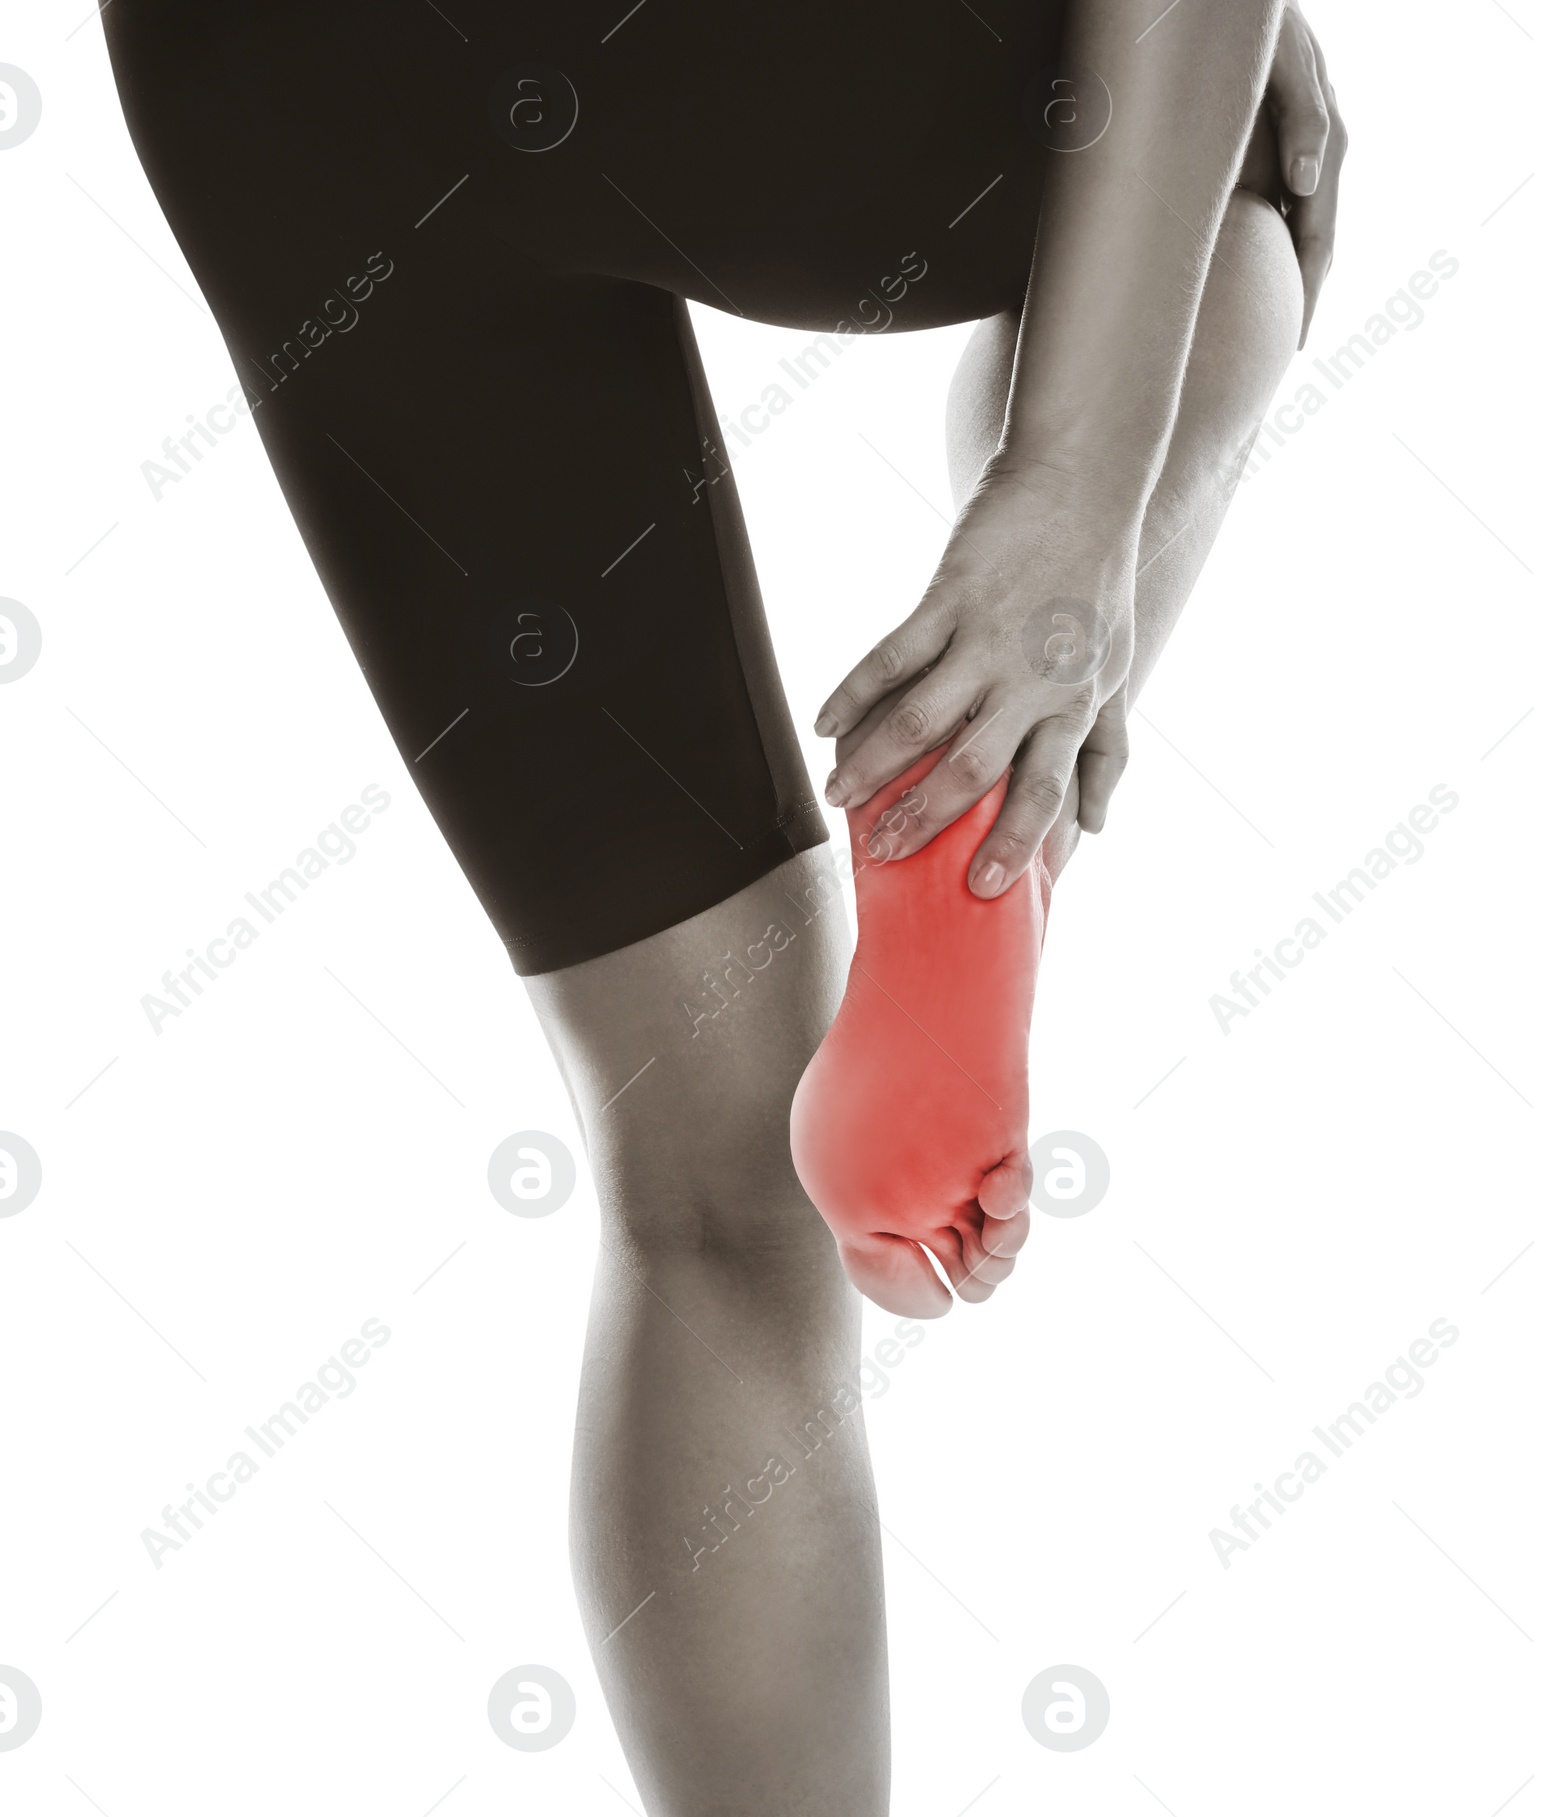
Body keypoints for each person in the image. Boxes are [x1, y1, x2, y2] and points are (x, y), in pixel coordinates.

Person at [102, 1, 1344, 1808]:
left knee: (705, 1185)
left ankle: (984, 725)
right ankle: (979, 764)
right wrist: (1070, 495)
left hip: (283, 87)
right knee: (1238, 144)